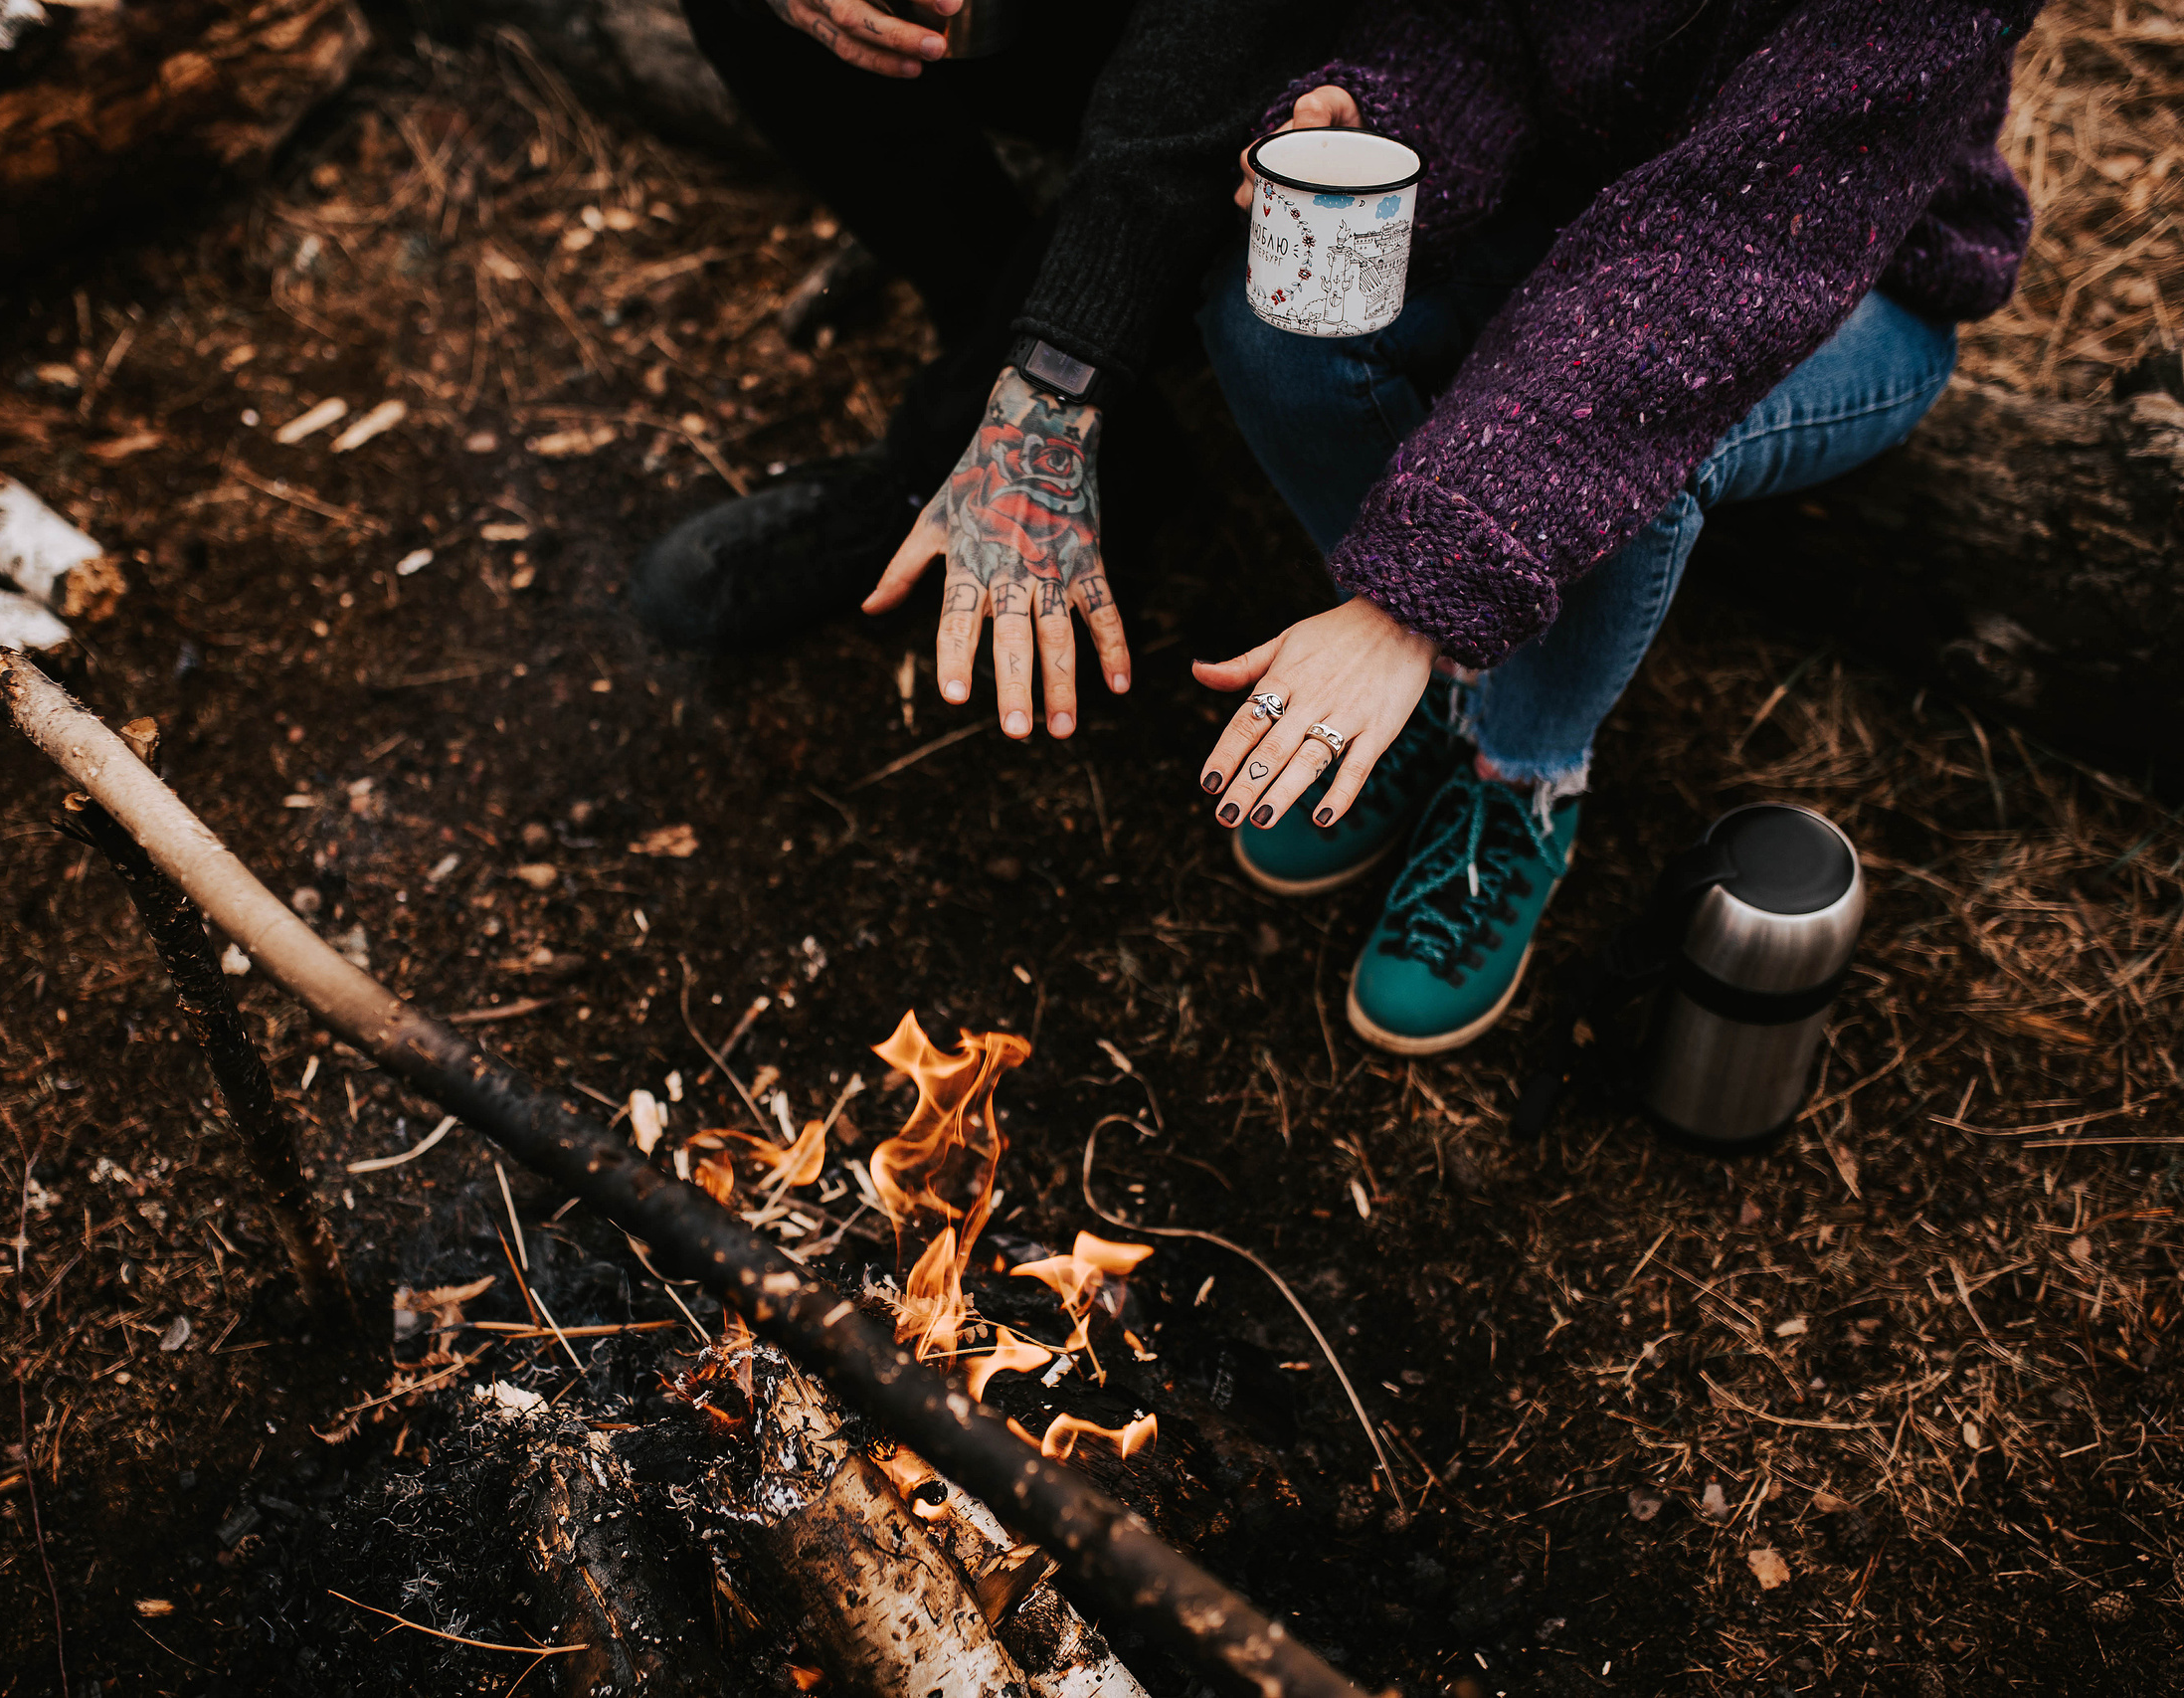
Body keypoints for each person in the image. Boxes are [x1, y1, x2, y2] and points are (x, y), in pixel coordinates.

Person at [861, 0, 2036, 1057]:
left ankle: (1520, 774)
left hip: (1836, 282)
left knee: (1623, 452)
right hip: (1570, 202)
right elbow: (1478, 30)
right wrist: (1377, 118)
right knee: (1278, 319)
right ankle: (1452, 683)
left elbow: (1720, 258)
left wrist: (1411, 594)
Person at [637, 0, 1345, 744]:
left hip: (1288, 56)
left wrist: (1057, 382)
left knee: (1249, 107)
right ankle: (1016, 386)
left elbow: (1220, 39)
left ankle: (974, 436)